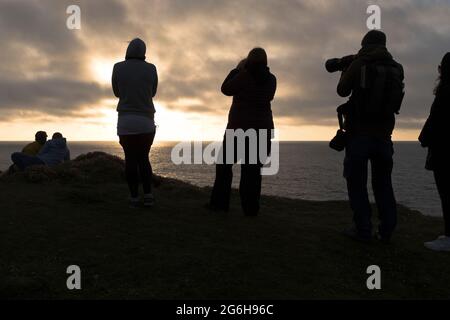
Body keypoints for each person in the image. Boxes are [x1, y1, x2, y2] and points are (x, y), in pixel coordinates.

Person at [337, 30, 405, 243]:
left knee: (357, 183)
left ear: (364, 43)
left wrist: (345, 69)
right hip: (384, 136)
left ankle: (363, 230)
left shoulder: (359, 64)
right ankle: (386, 232)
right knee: (383, 184)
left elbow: (342, 90)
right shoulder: (397, 68)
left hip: (359, 134)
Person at [208, 48, 277, 216]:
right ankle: (251, 209)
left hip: (239, 129)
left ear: (249, 61)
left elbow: (225, 89)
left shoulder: (243, 76)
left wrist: (237, 69)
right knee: (252, 172)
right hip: (262, 131)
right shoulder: (272, 79)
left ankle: (220, 204)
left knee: (224, 166)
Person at [112, 38, 158, 208]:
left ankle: (133, 198)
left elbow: (117, 92)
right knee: (144, 159)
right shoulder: (151, 68)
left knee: (130, 160)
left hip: (125, 120)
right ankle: (148, 196)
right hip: (146, 120)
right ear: (144, 52)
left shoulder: (118, 67)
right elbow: (152, 92)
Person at [419, 52, 450, 252]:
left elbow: (437, 119)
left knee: (447, 194)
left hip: (445, 151)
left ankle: (449, 238)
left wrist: (424, 138)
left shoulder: (446, 90)